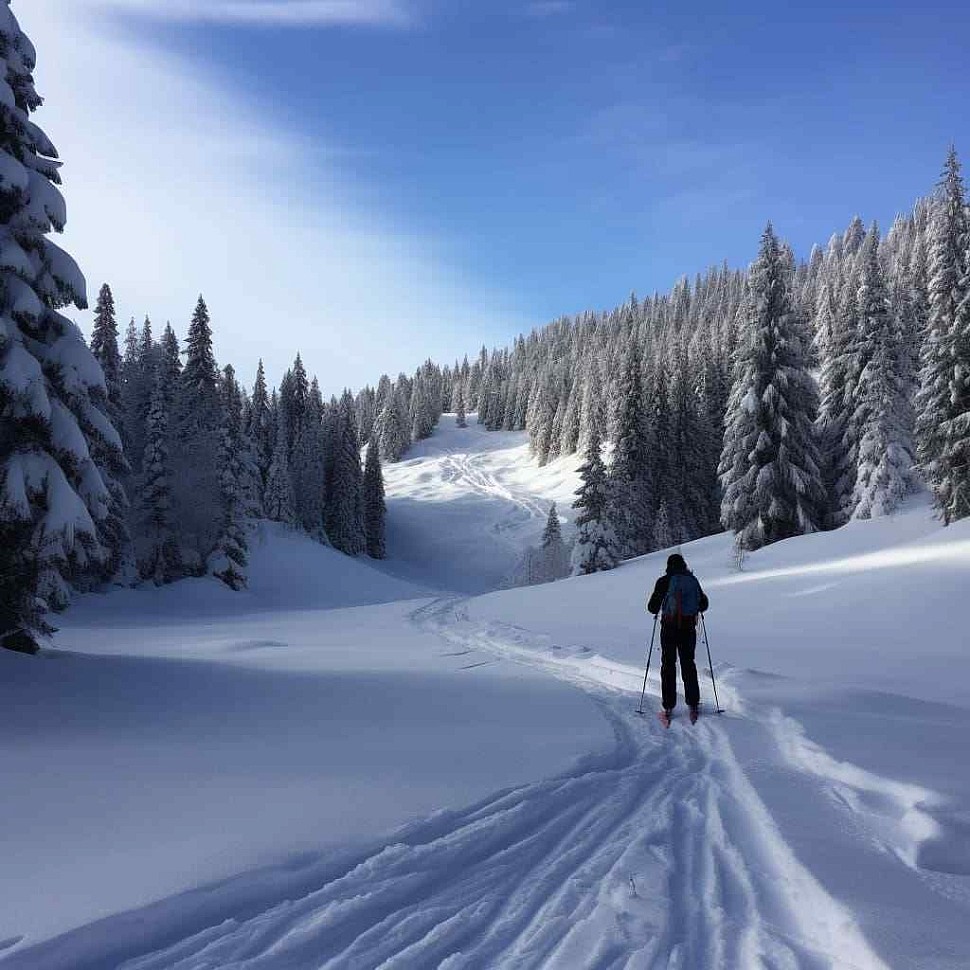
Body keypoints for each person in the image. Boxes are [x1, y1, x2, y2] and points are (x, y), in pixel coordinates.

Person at [647, 553, 709, 725]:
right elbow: (704, 604)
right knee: (688, 664)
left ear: (668, 566)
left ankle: (668, 706)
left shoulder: (663, 581)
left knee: (668, 665)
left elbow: (652, 608)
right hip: (688, 629)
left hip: (669, 629)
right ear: (684, 565)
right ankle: (693, 703)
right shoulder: (692, 580)